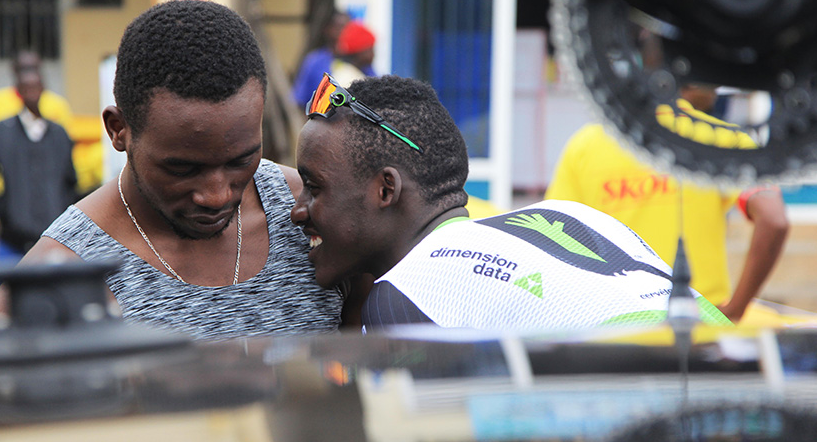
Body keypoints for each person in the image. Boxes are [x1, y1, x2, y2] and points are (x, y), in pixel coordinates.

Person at [0, 0, 343, 340]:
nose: (216, 195)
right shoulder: (64, 277)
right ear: (118, 130)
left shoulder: (317, 217)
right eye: (182, 168)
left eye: (239, 160)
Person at [291, 74, 731, 331]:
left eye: (314, 187)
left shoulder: (404, 299)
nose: (298, 209)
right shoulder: (566, 215)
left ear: (386, 190)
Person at [545, 98, 789, 323]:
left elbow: (550, 240)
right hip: (699, 329)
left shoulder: (587, 143)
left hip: (615, 328)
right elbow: (773, 219)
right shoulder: (721, 138)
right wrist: (734, 311)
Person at [0, 69, 78, 264]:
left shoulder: (59, 135)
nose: (32, 92)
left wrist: (61, 213)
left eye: (36, 87)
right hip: (11, 241)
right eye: (26, 88)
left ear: (44, 89)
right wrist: (3, 210)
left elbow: (71, 182)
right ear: (18, 91)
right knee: (9, 292)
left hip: (53, 240)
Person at [290, 9, 350, 109]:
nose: (343, 32)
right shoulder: (314, 61)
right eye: (339, 27)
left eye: (347, 28)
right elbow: (299, 100)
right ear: (328, 29)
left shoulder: (358, 60)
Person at [330, 20, 377, 87]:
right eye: (370, 49)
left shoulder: (364, 71)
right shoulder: (347, 79)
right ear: (359, 52)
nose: (373, 54)